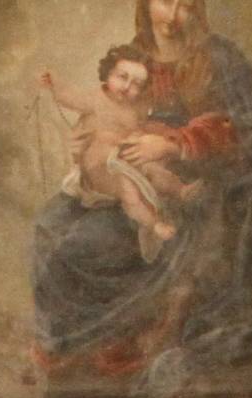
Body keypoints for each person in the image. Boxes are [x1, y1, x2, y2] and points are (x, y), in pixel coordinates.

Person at [28, 0, 252, 398]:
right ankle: (68, 342)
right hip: (120, 173)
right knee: (49, 223)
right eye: (165, 2)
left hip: (188, 184)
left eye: (185, 5)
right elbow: (103, 113)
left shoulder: (221, 59)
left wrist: (174, 144)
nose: (172, 16)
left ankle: (123, 337)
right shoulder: (135, 57)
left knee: (90, 243)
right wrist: (81, 142)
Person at [39, 46, 191, 261]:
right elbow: (68, 97)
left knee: (153, 170)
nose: (128, 87)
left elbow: (145, 125)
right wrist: (54, 82)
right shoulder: (94, 99)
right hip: (101, 166)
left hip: (125, 160)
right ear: (108, 73)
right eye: (122, 77)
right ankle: (154, 224)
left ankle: (182, 190)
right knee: (128, 191)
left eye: (136, 84)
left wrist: (137, 137)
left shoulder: (137, 107)